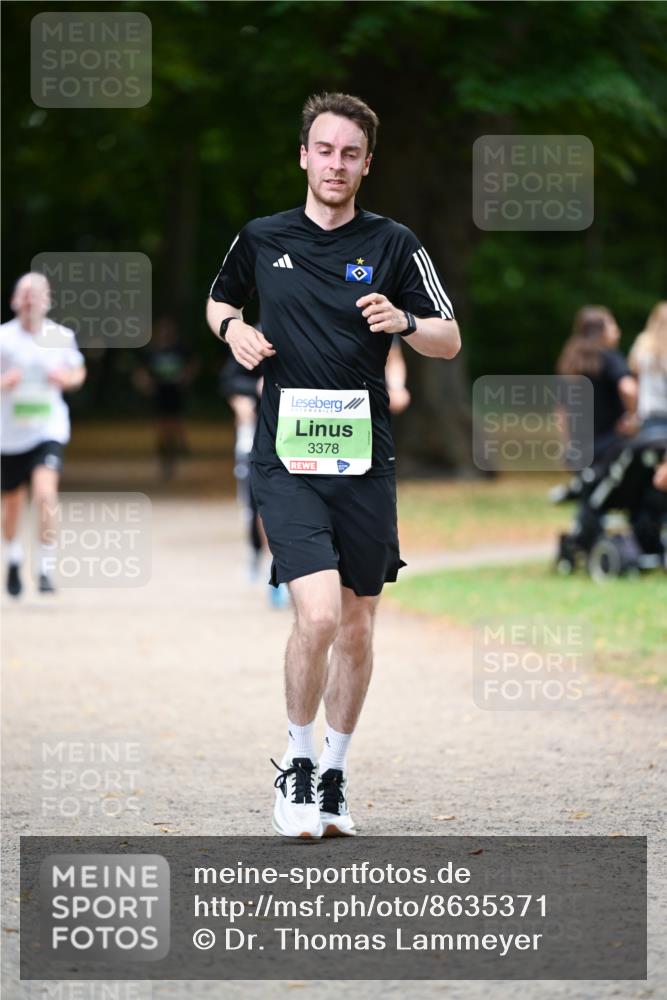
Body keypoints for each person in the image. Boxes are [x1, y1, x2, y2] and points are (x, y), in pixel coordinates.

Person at [206, 92, 460, 838]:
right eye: (324, 149)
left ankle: (337, 775)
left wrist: (405, 321)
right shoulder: (259, 238)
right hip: (286, 456)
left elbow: (447, 337)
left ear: (366, 164)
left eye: (350, 153)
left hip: (363, 460)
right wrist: (235, 332)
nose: (335, 164)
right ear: (303, 155)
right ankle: (297, 762)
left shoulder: (395, 243)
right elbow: (218, 303)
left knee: (356, 626)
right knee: (315, 614)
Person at [1, 272, 86, 595]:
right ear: (13, 300)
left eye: (36, 294)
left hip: (48, 429)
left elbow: (78, 371)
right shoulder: (3, 338)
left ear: (47, 301)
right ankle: (13, 558)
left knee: (45, 495)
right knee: (12, 505)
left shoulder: (60, 336)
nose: (30, 299)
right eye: (24, 293)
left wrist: (68, 379)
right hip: (8, 433)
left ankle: (45, 567)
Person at [556, 305, 637, 464]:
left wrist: (568, 446)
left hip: (580, 449)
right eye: (613, 325)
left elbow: (561, 411)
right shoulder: (609, 357)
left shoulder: (570, 362)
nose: (617, 330)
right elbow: (629, 388)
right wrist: (634, 418)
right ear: (601, 331)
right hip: (611, 442)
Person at [133, 317, 198, 480]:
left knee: (176, 422)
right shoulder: (151, 351)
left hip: (175, 391)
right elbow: (140, 371)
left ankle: (176, 448)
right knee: (161, 425)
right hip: (159, 392)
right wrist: (145, 383)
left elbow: (193, 363)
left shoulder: (180, 349)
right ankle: (164, 453)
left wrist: (187, 376)